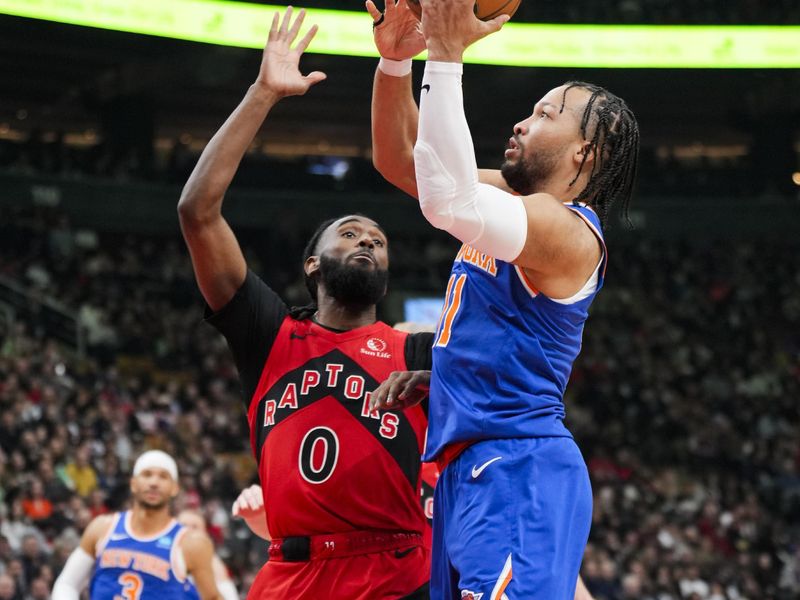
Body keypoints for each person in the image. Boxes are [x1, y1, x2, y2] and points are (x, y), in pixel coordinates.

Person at [367, 0, 639, 598]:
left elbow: (448, 203)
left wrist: (447, 54)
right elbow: (399, 157)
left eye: (544, 115)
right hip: (465, 468)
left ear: (583, 155)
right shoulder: (510, 204)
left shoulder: (569, 231)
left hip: (517, 467)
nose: (521, 122)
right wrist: (393, 64)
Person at [177, 7, 433, 598]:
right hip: (289, 574)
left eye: (379, 239)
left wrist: (440, 374)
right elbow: (197, 212)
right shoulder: (269, 334)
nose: (368, 239)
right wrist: (263, 93)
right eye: (349, 233)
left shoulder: (416, 349)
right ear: (312, 264)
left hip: (396, 571)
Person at [51, 450, 222, 599]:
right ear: (133, 483)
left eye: (163, 476)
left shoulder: (190, 542)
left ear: (174, 488)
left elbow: (212, 597)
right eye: (147, 474)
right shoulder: (102, 527)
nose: (154, 482)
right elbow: (67, 584)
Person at [177, 510, 239, 600]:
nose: (188, 530)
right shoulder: (162, 553)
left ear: (204, 533)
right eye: (183, 525)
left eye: (194, 527)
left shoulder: (214, 564)